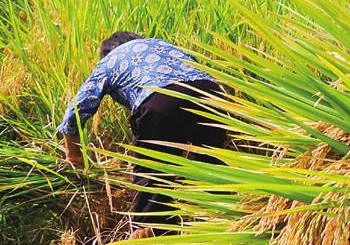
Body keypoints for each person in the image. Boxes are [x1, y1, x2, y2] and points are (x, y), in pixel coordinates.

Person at [58, 31, 226, 226]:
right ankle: (230, 232)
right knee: (215, 171)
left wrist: (74, 155)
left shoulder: (111, 59)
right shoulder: (164, 44)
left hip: (163, 100)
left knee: (153, 182)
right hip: (211, 94)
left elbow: (76, 110)